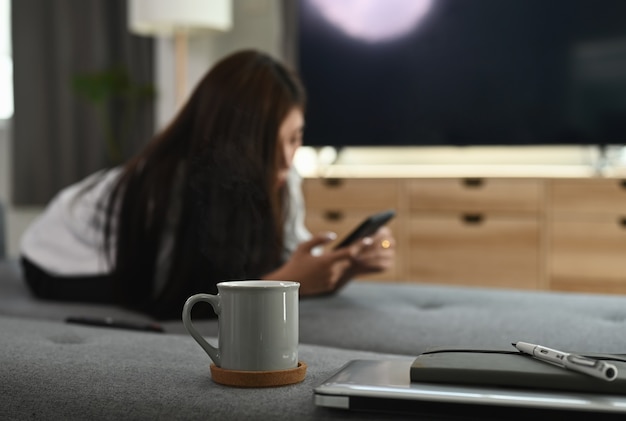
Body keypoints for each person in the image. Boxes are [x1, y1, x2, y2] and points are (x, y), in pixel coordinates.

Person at [19, 49, 395, 320]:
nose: (286, 159)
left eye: (295, 138)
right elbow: (165, 297)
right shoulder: (169, 183)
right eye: (270, 145)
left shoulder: (282, 175)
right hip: (61, 257)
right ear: (234, 142)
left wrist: (345, 266)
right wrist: (280, 281)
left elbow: (287, 259)